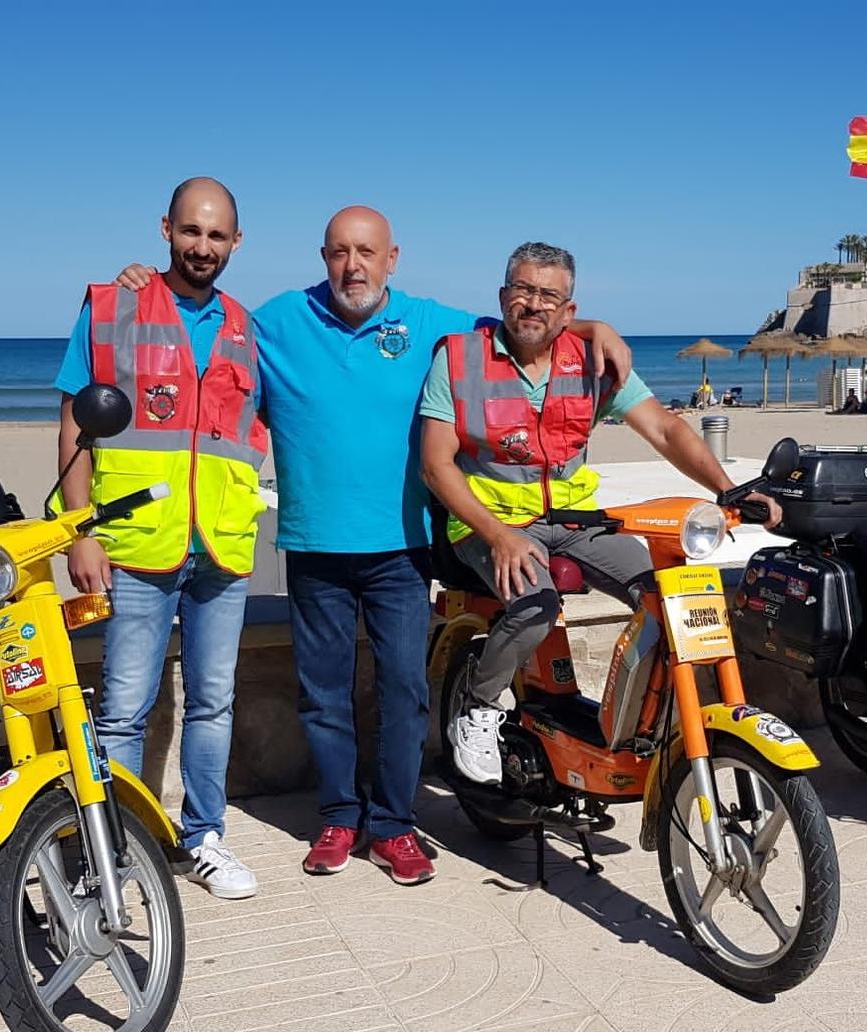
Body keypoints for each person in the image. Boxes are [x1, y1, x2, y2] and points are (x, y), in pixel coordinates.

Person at [111, 208, 632, 886]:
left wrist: (594, 327)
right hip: (314, 541)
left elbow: (521, 325)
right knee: (322, 693)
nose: (353, 265)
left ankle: (392, 823)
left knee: (404, 691)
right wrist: (143, 286)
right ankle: (338, 816)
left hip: (402, 545)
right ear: (323, 256)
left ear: (392, 258)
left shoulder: (433, 323)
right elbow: (195, 333)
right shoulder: (274, 322)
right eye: (339, 252)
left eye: (367, 252)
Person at [421, 243, 779, 786]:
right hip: (487, 523)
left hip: (572, 520)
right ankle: (480, 704)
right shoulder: (460, 361)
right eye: (522, 289)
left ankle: (631, 724)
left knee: (668, 594)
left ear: (569, 311)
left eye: (548, 295)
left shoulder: (591, 362)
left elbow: (665, 429)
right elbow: (435, 465)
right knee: (535, 604)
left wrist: (728, 491)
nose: (533, 304)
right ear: (502, 296)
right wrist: (497, 537)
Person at [56, 177, 262, 900]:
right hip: (136, 545)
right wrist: (79, 533)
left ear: (236, 243)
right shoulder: (112, 307)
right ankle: (109, 850)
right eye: (190, 231)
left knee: (213, 703)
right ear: (165, 228)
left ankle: (205, 837)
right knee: (123, 709)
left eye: (216, 235)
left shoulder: (248, 327)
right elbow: (74, 423)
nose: (201, 246)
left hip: (222, 548)